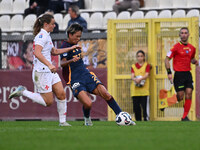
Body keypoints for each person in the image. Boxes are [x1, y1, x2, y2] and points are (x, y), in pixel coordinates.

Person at [8, 14, 80, 126]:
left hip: (49, 71)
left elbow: (54, 51)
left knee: (61, 94)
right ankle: (23, 92)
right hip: (41, 72)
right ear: (46, 24)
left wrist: (71, 48)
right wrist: (49, 64)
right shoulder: (41, 36)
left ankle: (62, 122)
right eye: (52, 23)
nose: (54, 25)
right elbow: (37, 53)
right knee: (48, 102)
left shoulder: (47, 35)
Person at [60, 23, 136, 126]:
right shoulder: (64, 46)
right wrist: (71, 60)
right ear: (70, 34)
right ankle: (87, 120)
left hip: (86, 74)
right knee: (88, 103)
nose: (78, 38)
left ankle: (124, 118)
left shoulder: (76, 46)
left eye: (80, 36)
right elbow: (62, 63)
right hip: (74, 79)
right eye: (77, 36)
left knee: (106, 94)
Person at [165, 27, 199, 121]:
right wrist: (169, 73)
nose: (184, 34)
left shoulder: (192, 48)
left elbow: (191, 59)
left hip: (188, 74)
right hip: (179, 75)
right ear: (179, 35)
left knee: (189, 93)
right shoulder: (175, 47)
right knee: (180, 97)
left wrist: (195, 62)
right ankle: (166, 101)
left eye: (185, 33)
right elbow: (166, 59)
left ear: (188, 35)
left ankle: (184, 117)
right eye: (182, 33)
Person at [130, 50, 151, 121]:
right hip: (135, 91)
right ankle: (138, 121)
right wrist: (135, 79)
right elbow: (132, 76)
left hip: (144, 91)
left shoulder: (147, 65)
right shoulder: (133, 66)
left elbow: (147, 74)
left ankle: (146, 120)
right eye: (138, 56)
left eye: (141, 56)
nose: (140, 58)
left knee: (145, 108)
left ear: (144, 57)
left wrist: (141, 78)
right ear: (136, 57)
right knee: (136, 108)